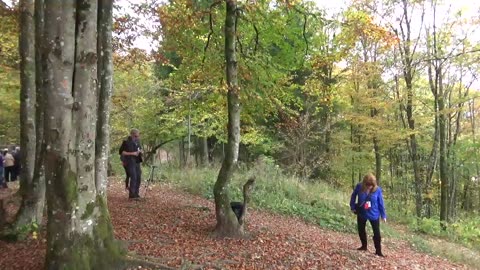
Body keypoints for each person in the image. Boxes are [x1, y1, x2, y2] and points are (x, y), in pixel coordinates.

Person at [350, 173, 387, 257]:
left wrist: (383, 215)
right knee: (361, 230)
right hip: (362, 212)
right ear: (364, 183)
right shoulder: (359, 186)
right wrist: (352, 206)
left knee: (377, 233)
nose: (369, 187)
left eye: (371, 185)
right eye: (367, 185)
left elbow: (381, 203)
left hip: (374, 214)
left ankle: (378, 251)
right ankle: (364, 246)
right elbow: (353, 196)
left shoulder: (378, 190)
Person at [121, 129, 143, 199]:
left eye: (138, 136)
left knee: (138, 177)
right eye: (136, 136)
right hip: (129, 161)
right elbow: (122, 152)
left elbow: (139, 149)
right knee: (133, 177)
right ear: (132, 135)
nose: (137, 137)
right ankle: (132, 194)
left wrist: (140, 152)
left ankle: (136, 193)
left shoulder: (138, 141)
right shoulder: (126, 142)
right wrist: (132, 153)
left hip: (137, 161)